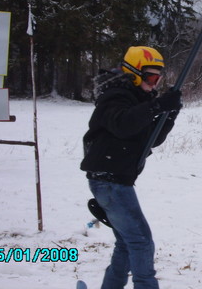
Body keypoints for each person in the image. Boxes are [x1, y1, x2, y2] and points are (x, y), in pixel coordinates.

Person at [80, 46, 182, 289]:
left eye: (158, 77)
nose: (155, 83)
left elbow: (151, 138)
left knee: (127, 243)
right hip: (109, 180)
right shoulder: (115, 95)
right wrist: (158, 107)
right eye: (150, 77)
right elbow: (123, 124)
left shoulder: (138, 99)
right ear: (134, 73)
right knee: (141, 242)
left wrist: (169, 115)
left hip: (116, 180)